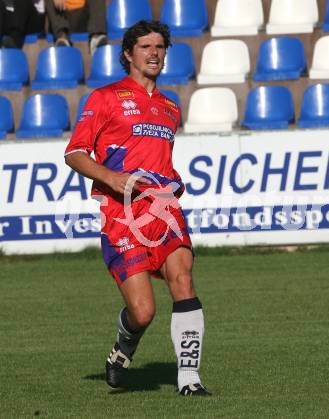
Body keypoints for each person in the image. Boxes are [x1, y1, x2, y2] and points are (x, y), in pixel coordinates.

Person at [64, 20, 210, 396]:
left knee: (184, 279)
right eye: (145, 46)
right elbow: (75, 154)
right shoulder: (105, 98)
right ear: (128, 54)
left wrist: (174, 180)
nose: (154, 53)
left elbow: (157, 161)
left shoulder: (169, 108)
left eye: (160, 47)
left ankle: (189, 380)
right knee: (143, 312)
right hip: (120, 217)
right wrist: (112, 179)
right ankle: (123, 346)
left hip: (162, 211)